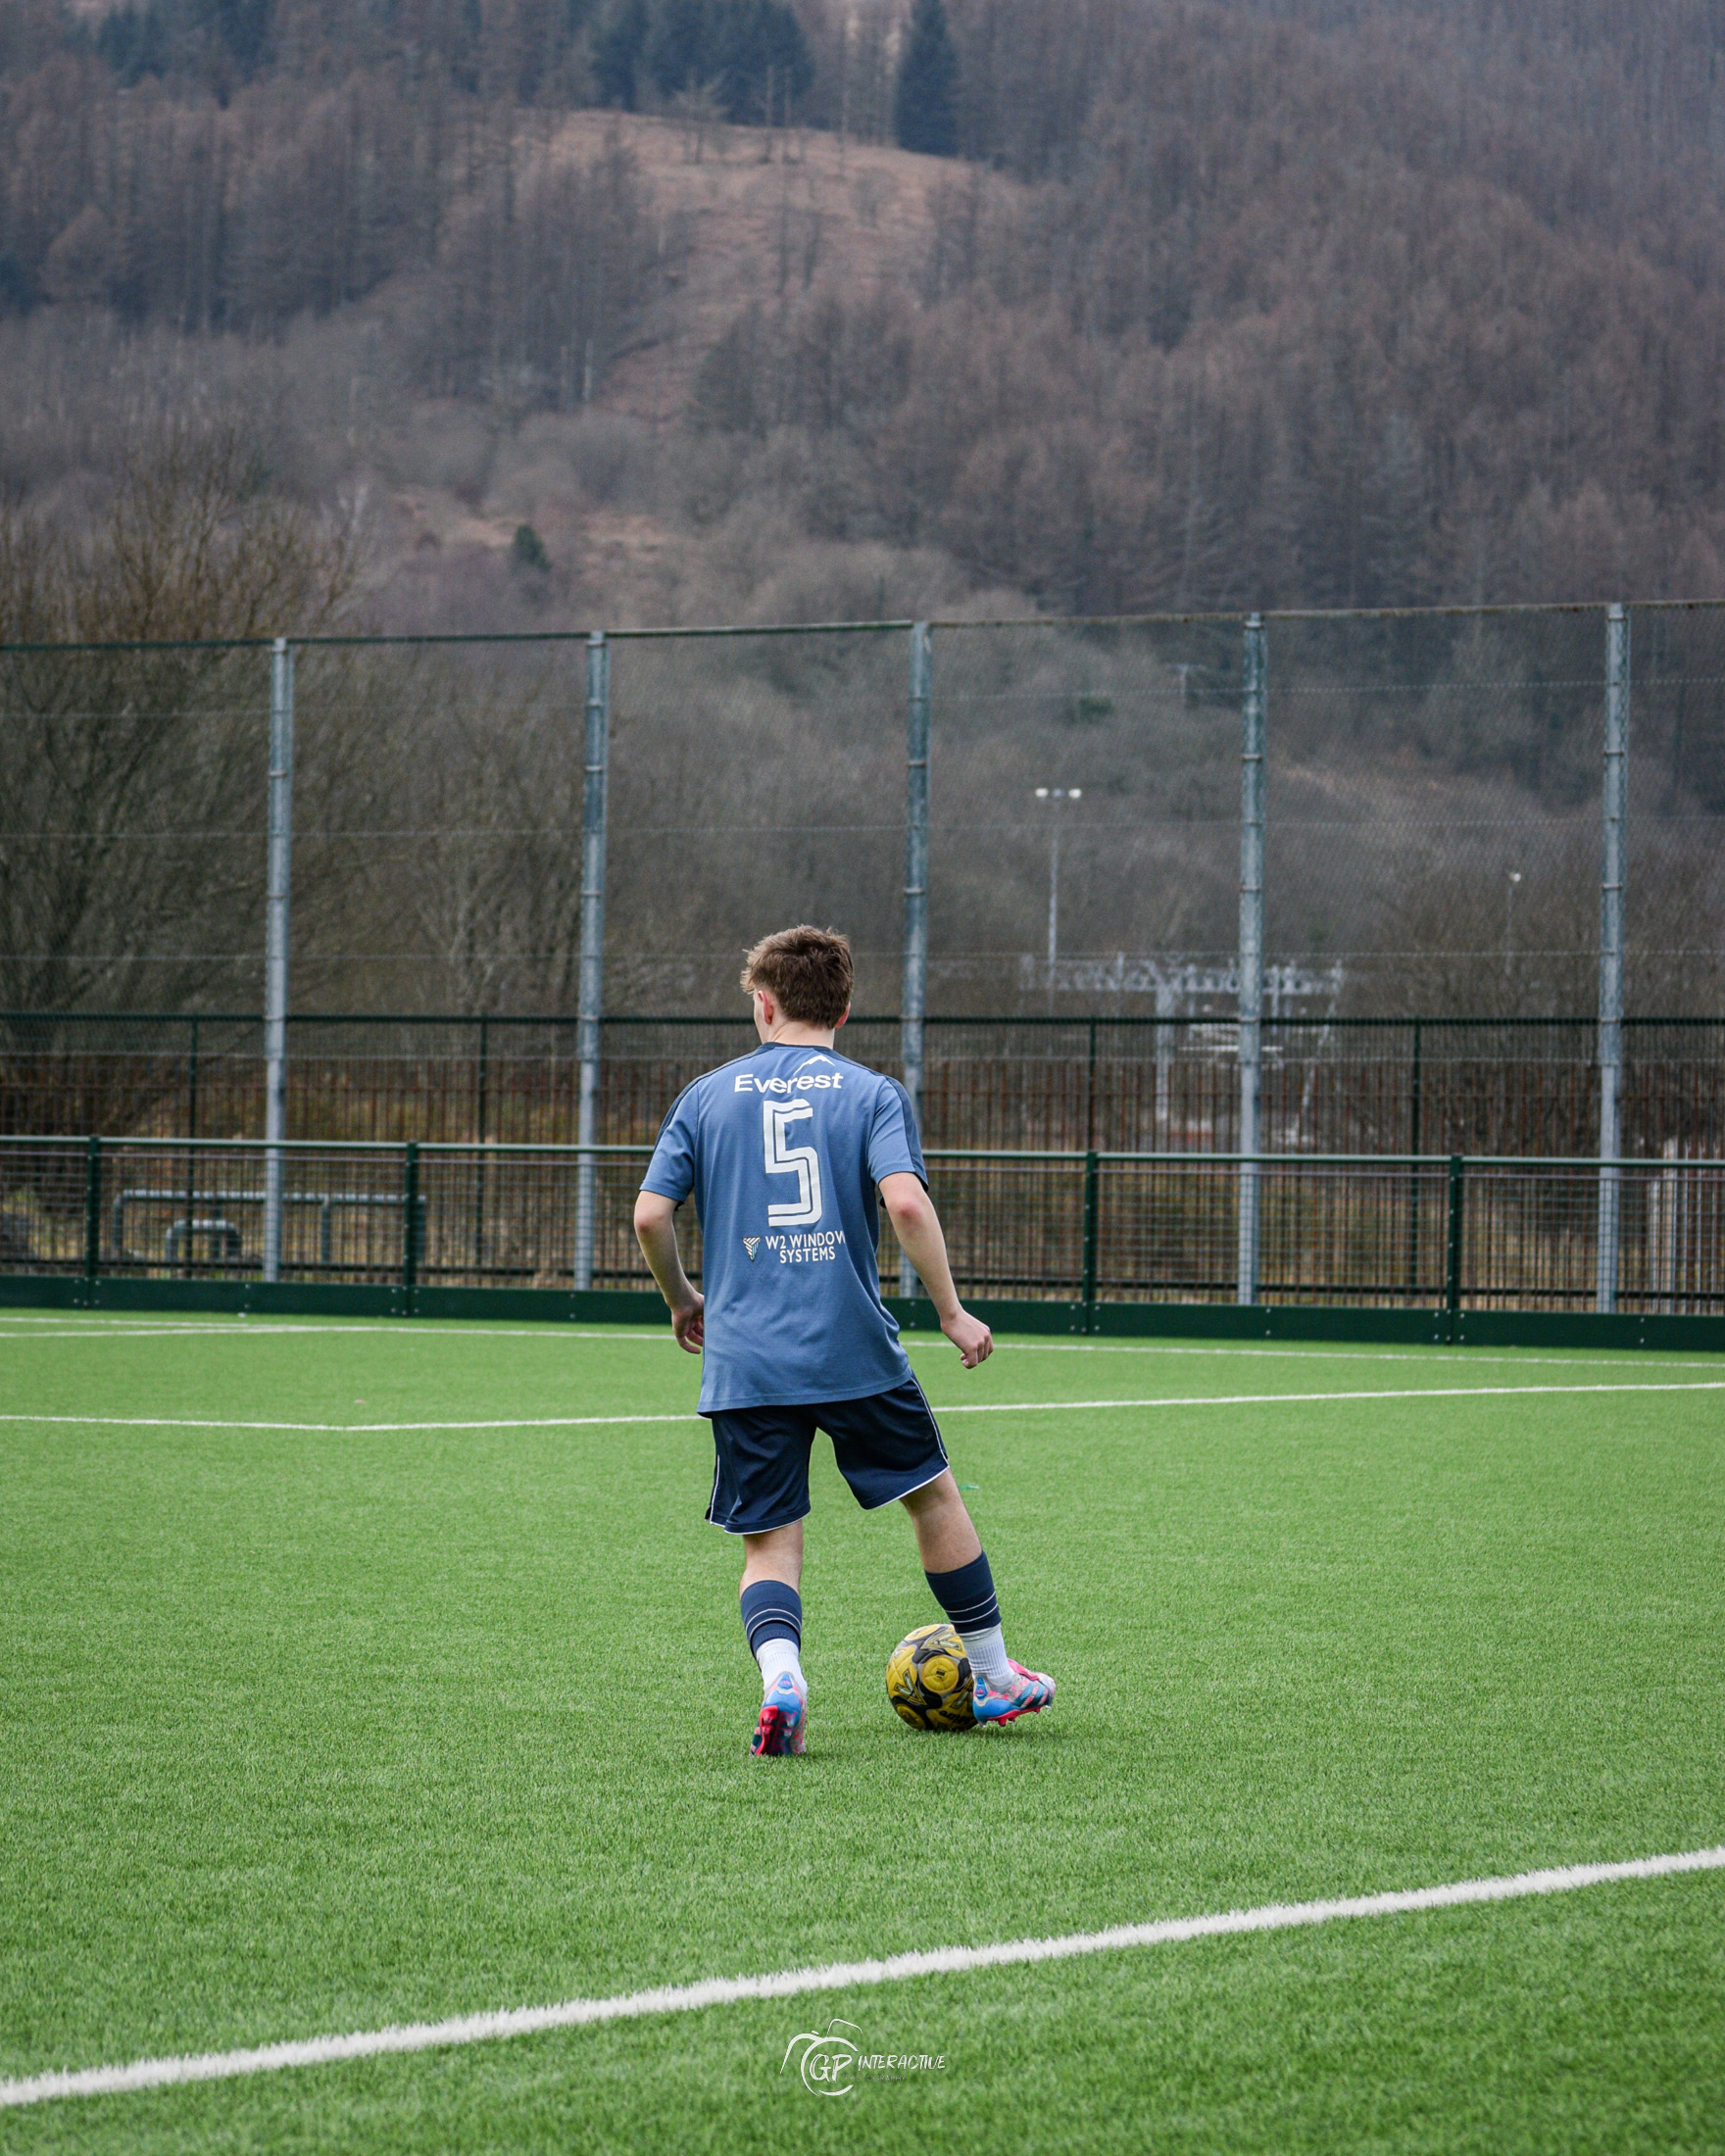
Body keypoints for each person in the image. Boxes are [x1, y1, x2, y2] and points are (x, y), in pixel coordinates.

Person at [633, 923, 1055, 1756]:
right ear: (845, 1009)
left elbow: (650, 1214)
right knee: (932, 1497)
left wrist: (684, 1300)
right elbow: (906, 1204)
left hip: (747, 1358)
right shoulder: (872, 1093)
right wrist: (951, 1310)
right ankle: (994, 1674)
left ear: (764, 1005)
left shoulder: (706, 1095)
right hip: (852, 1349)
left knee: (771, 1542)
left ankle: (783, 1679)